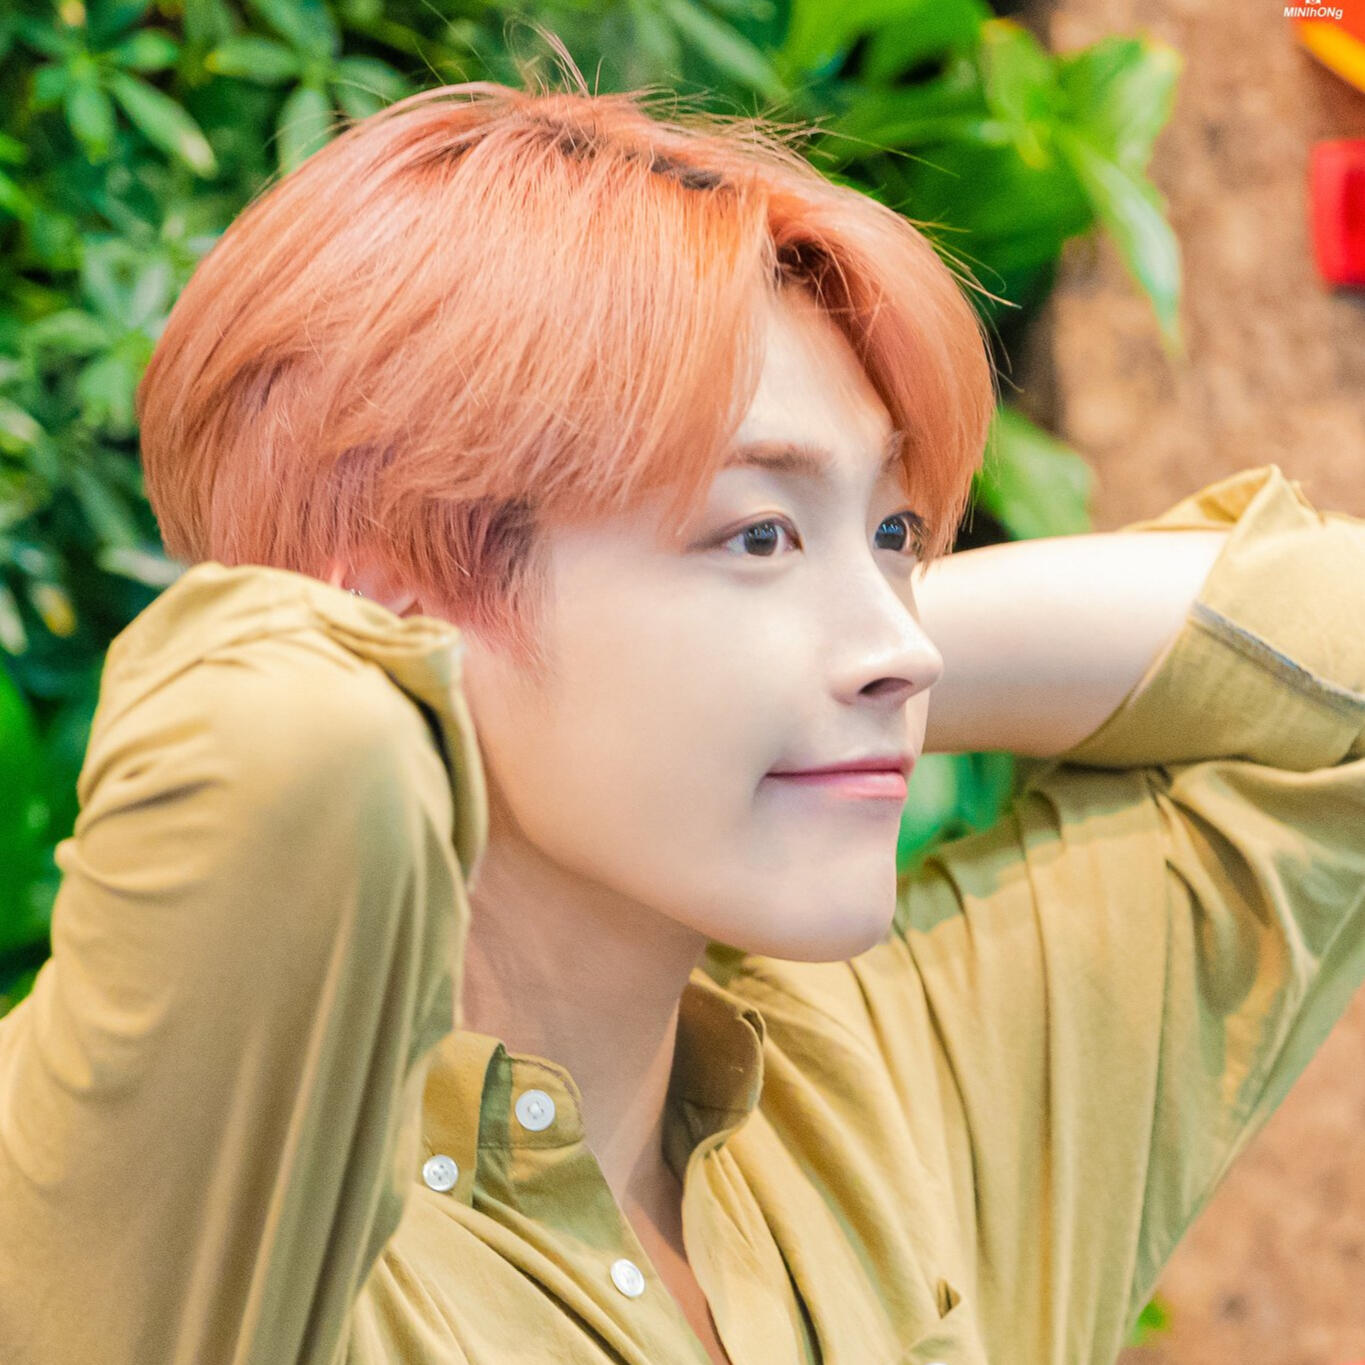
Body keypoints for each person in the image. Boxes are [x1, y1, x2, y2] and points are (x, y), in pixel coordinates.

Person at [2, 58, 1364, 1365]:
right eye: (759, 534)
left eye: (893, 532)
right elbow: (300, 749)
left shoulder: (884, 1091)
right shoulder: (190, 1214)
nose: (900, 649)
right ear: (393, 619)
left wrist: (803, 664)